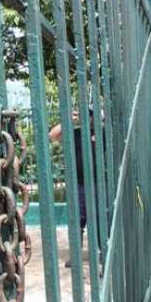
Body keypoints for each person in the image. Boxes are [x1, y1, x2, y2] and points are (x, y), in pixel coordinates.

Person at [49, 110, 91, 268]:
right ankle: (76, 255)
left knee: (102, 219)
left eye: (91, 114)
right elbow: (52, 135)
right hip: (79, 183)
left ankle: (104, 254)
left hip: (100, 183)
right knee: (77, 221)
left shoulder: (102, 132)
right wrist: (68, 120)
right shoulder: (76, 133)